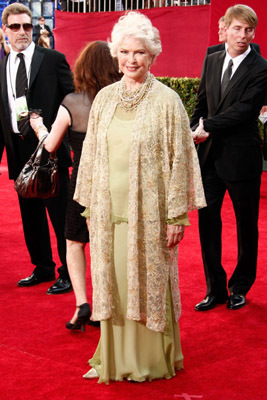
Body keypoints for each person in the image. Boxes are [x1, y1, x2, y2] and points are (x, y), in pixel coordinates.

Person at [74, 11, 206, 383]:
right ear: (115, 54)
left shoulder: (167, 102)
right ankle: (112, 358)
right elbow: (92, 156)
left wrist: (176, 217)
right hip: (108, 213)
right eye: (125, 52)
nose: (131, 60)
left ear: (153, 56)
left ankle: (148, 359)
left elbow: (180, 160)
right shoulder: (103, 100)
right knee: (113, 284)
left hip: (150, 215)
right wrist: (89, 204)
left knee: (148, 283)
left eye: (140, 53)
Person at [29, 41, 122, 330]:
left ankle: (82, 303)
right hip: (117, 182)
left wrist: (38, 127)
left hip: (83, 183)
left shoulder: (71, 102)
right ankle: (107, 307)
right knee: (111, 247)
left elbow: (51, 145)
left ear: (82, 68)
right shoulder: (121, 100)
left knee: (73, 242)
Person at [191, 4, 267, 312]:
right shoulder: (212, 60)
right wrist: (190, 128)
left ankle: (240, 286)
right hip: (209, 157)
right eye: (237, 28)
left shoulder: (261, 67)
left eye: (249, 30)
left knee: (246, 226)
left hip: (242, 158)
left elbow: (245, 111)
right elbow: (202, 101)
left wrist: (206, 126)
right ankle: (215, 289)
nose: (243, 35)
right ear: (225, 28)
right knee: (207, 224)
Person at [0, 3, 74, 294]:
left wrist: (61, 138)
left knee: (59, 215)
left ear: (34, 28)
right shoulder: (2, 65)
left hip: (50, 149)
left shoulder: (53, 59)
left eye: (27, 26)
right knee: (29, 214)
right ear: (4, 30)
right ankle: (42, 267)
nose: (22, 32)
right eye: (15, 27)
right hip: (19, 150)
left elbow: (71, 100)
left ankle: (68, 272)